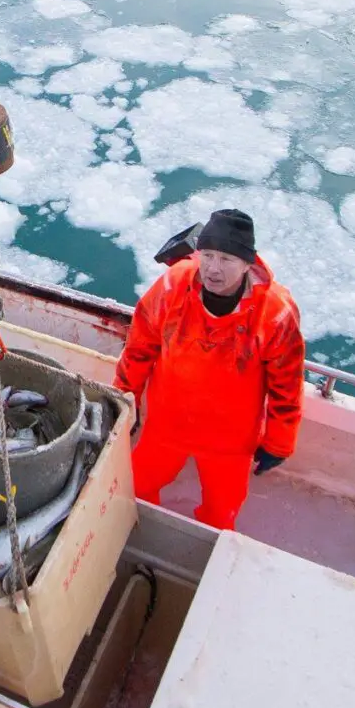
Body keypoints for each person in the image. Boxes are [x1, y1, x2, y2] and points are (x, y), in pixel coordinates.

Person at [113, 208, 305, 530]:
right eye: (208, 255)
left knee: (221, 515)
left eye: (227, 259)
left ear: (248, 263)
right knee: (135, 490)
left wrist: (278, 442)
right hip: (167, 421)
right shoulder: (174, 285)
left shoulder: (275, 313)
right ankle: (138, 536)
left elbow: (287, 384)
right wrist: (124, 398)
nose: (214, 269)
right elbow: (140, 347)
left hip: (229, 440)